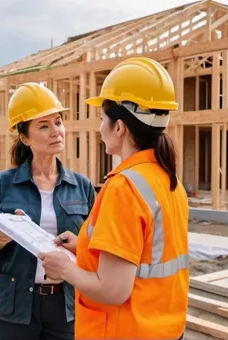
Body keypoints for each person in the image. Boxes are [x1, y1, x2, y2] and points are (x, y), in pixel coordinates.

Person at [38, 57, 189, 339]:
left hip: (126, 330)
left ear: (119, 127)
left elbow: (113, 290)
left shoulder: (125, 188)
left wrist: (65, 269)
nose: (99, 129)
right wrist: (82, 247)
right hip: (164, 328)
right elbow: (143, 256)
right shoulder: (168, 180)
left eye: (101, 120)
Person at [0, 82, 96, 340]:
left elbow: (97, 247)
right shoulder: (1, 184)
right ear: (24, 138)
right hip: (12, 307)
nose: (56, 132)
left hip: (66, 306)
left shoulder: (82, 187)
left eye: (58, 122)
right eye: (44, 125)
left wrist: (80, 244)